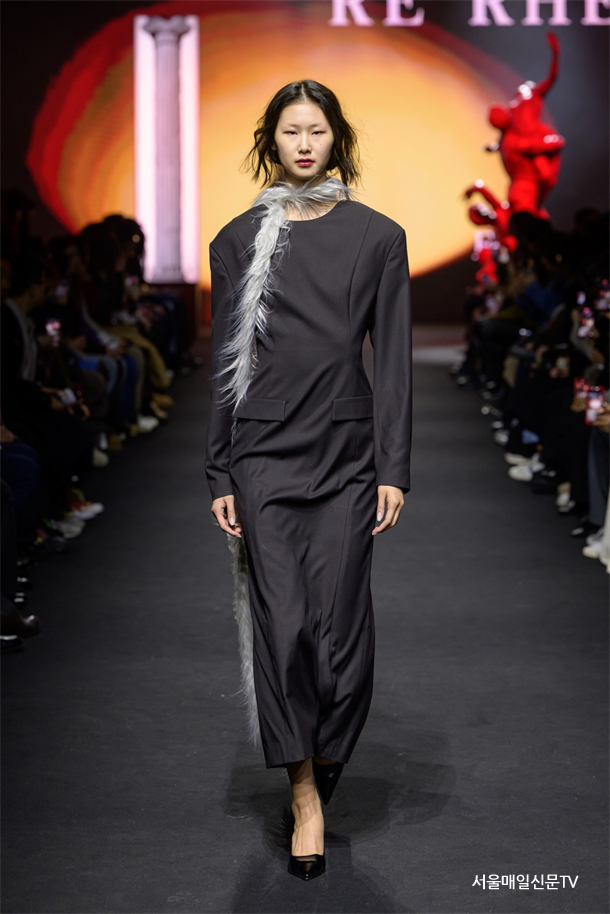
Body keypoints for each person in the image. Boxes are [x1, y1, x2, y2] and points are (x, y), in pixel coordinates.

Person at [205, 80, 412, 881]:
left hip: (347, 454)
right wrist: (219, 467)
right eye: (289, 131)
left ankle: (324, 751)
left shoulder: (379, 237)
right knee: (283, 623)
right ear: (270, 140)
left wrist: (394, 465)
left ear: (337, 140)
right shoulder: (237, 241)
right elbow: (228, 365)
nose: (302, 144)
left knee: (342, 633)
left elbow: (392, 362)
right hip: (264, 455)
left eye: (316, 131)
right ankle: (303, 795)